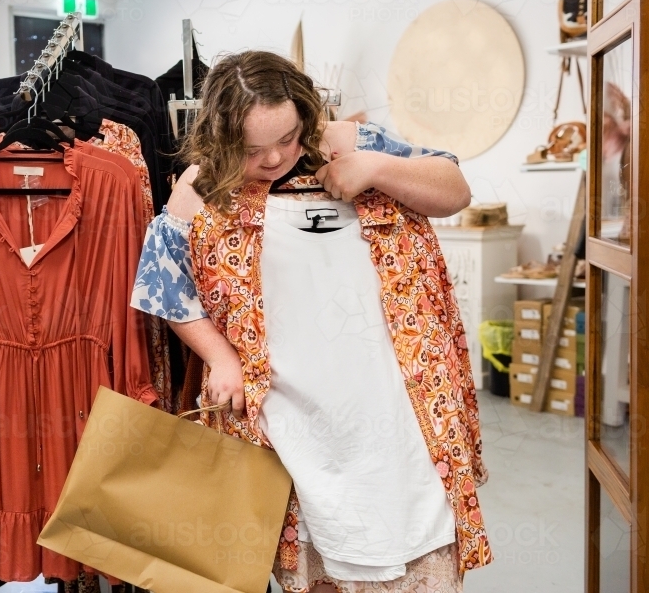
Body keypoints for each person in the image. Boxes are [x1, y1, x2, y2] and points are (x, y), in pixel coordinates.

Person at [131, 51, 490, 593]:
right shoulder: (201, 188)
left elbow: (454, 190)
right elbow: (165, 285)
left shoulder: (354, 143)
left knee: (416, 545)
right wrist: (220, 357)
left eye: (288, 138)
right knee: (315, 560)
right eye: (252, 150)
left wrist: (377, 169)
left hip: (398, 408)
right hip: (286, 419)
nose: (274, 158)